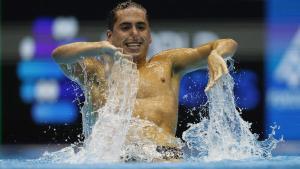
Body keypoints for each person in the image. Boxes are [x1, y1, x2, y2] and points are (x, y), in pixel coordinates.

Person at [52, 1, 237, 160]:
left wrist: (216, 54)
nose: (134, 33)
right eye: (125, 27)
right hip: (112, 160)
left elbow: (229, 43)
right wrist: (99, 47)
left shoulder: (167, 64)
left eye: (141, 27)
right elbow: (59, 55)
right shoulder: (97, 72)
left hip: (164, 158)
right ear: (110, 36)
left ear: (149, 36)